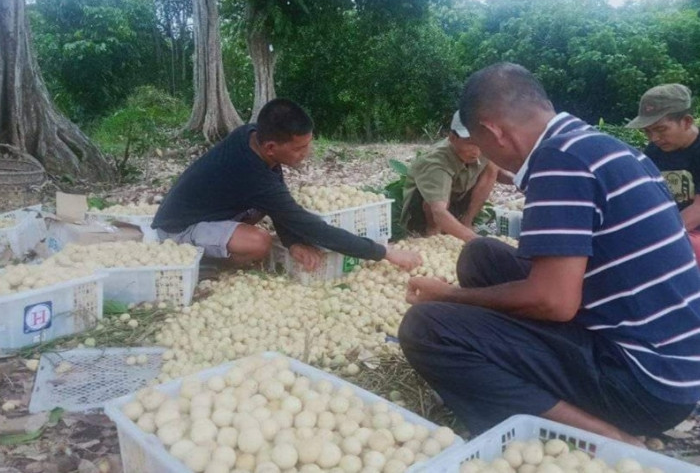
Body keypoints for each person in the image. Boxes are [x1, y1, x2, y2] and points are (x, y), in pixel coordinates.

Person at [398, 63, 700, 445]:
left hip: (644, 383)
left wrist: (451, 297)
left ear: (494, 131)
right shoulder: (592, 145)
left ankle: (607, 436)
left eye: (481, 145)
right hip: (670, 361)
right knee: (482, 254)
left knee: (426, 327)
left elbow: (554, 302)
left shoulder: (560, 163)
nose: (483, 157)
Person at [152, 98, 421, 272]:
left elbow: (275, 201)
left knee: (266, 214)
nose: (307, 153)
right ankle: (200, 267)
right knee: (259, 243)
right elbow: (310, 225)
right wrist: (385, 252)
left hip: (211, 213)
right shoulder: (249, 170)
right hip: (177, 229)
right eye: (299, 148)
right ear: (271, 147)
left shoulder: (250, 136)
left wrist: (292, 243)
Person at [626, 84, 700, 265]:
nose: (654, 138)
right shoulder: (653, 152)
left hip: (686, 233)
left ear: (687, 121)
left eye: (661, 129)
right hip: (672, 230)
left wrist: (660, 236)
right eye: (648, 131)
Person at [400, 111, 502, 241]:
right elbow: (438, 212)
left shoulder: (481, 149)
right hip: (426, 212)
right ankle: (432, 234)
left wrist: (523, 181)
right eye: (470, 142)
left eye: (479, 141)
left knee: (492, 166)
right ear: (452, 138)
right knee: (435, 202)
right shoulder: (436, 162)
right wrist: (475, 240)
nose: (476, 151)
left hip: (455, 202)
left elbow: (499, 173)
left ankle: (466, 222)